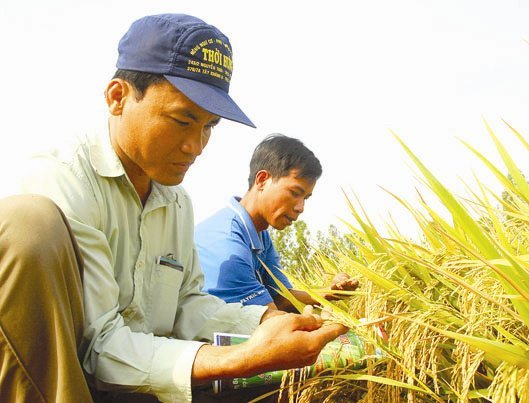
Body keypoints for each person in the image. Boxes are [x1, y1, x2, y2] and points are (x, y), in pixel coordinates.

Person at [5, 13, 346, 403]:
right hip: (71, 383)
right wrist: (238, 358)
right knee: (28, 223)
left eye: (209, 127)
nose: (196, 146)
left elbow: (187, 303)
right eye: (182, 121)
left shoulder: (175, 201)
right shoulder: (63, 179)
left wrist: (270, 321)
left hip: (144, 379)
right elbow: (99, 345)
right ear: (118, 98)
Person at [194, 134, 359, 312]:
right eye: (295, 193)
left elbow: (282, 297)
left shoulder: (259, 234)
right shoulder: (228, 244)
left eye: (306, 198)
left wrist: (331, 293)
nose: (301, 207)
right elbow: (271, 319)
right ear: (262, 180)